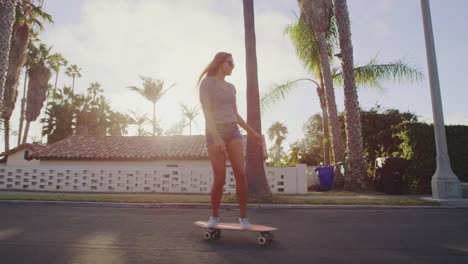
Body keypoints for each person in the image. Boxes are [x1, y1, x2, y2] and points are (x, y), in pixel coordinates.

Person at [198, 52, 263, 229]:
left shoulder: (232, 87)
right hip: (214, 133)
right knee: (220, 178)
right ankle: (214, 216)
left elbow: (235, 114)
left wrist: (253, 133)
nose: (233, 66)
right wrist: (217, 138)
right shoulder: (207, 83)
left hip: (233, 132)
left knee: (241, 174)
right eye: (230, 63)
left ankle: (243, 218)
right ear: (220, 63)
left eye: (233, 64)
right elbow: (207, 113)